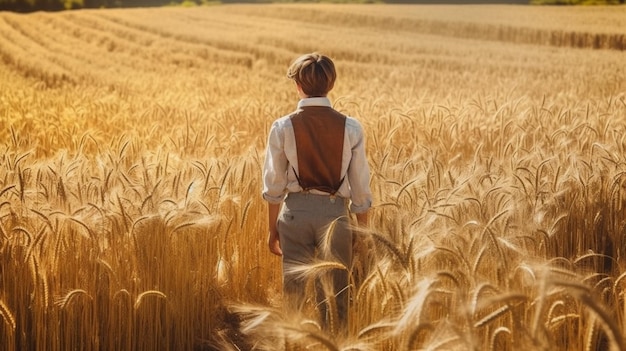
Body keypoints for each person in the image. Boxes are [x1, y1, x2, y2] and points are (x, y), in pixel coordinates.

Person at [262, 52, 372, 333]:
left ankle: (292, 343)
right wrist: (363, 233)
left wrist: (272, 229)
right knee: (335, 301)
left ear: (297, 85)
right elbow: (360, 188)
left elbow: (274, 185)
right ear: (331, 85)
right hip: (335, 217)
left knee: (294, 296)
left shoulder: (282, 126)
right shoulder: (351, 127)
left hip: (294, 215)